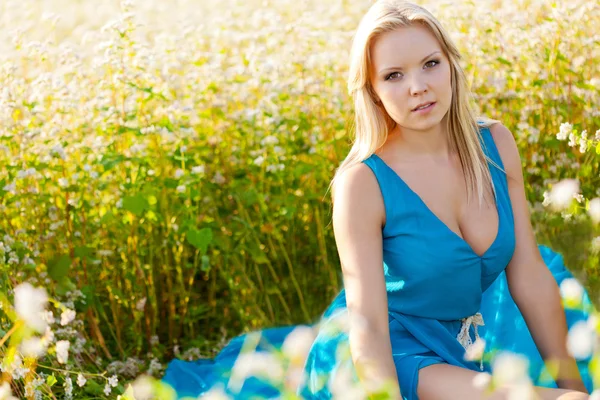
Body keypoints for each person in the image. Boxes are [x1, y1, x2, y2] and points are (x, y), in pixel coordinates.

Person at [162, 1, 596, 399]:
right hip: (395, 354)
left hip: (468, 341)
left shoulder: (495, 144)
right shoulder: (362, 183)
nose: (418, 87)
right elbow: (367, 327)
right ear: (371, 90)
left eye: (430, 64)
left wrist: (575, 385)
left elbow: (529, 275)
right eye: (394, 75)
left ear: (451, 66)